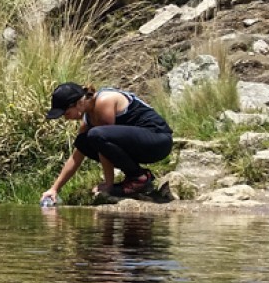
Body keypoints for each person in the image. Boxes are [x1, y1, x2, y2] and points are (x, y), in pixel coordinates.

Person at [40, 82, 174, 202]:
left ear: (79, 103)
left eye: (67, 113)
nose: (66, 118)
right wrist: (54, 189)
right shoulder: (88, 118)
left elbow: (103, 143)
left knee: (96, 135)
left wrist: (108, 186)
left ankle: (138, 179)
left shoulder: (103, 101)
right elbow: (76, 157)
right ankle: (138, 177)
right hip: (142, 145)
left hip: (158, 141)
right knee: (82, 142)